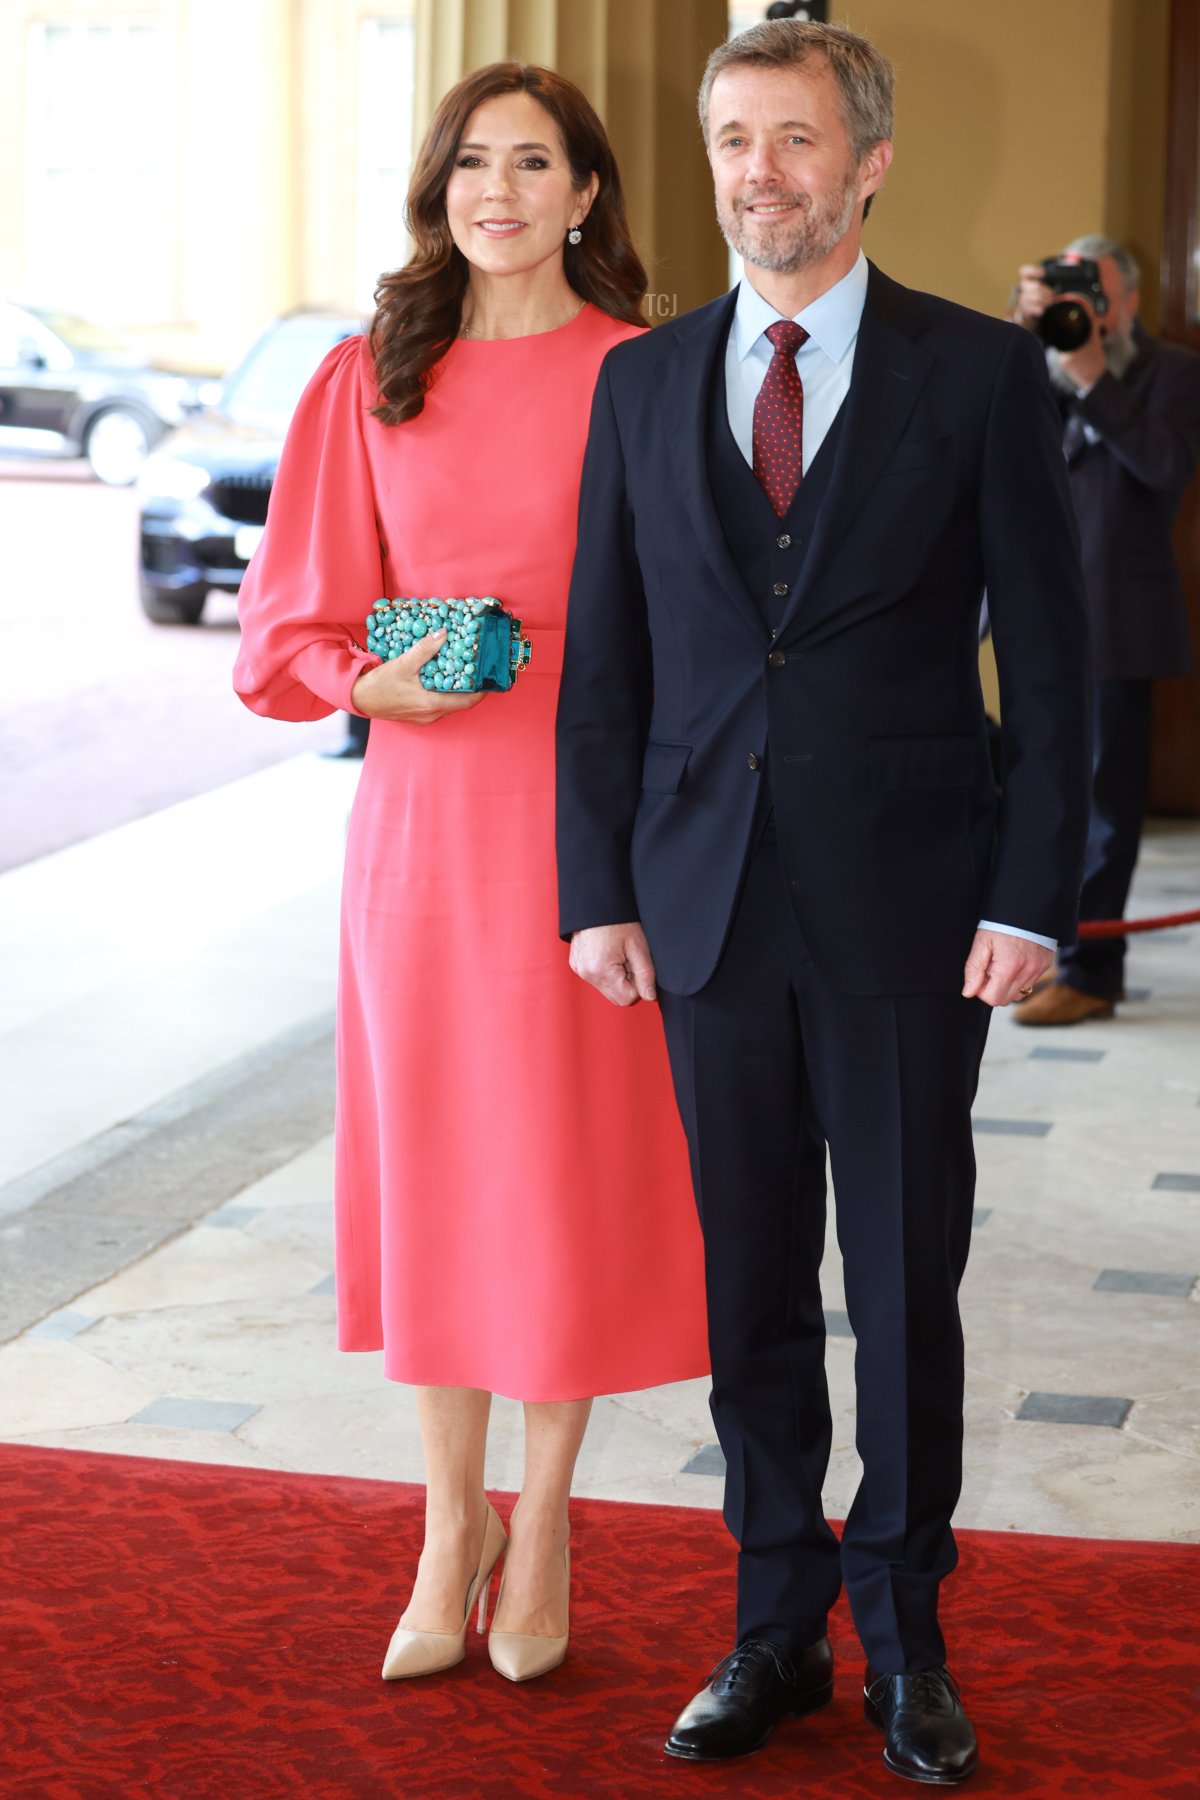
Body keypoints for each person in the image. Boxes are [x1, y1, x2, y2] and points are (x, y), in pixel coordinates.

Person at [556, 19, 1090, 1786]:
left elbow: (1059, 667)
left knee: (908, 1278)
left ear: (865, 164)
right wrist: (597, 891)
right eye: (730, 139)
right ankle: (771, 1622)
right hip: (703, 907)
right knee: (750, 1286)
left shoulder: (977, 374)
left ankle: (905, 1633)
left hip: (914, 907)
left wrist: (1041, 900)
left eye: (791, 140)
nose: (755, 174)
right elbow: (611, 673)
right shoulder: (640, 384)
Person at [233, 62, 707, 1688]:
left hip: (592, 821)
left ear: (588, 195)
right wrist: (373, 687)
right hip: (426, 822)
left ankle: (553, 1509)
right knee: (440, 1168)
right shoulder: (367, 377)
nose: (496, 191)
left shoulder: (651, 375)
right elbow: (291, 620)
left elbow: (708, 627)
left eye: (534, 163)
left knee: (561, 1170)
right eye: (469, 164)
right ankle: (449, 1518)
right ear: (438, 192)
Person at [1007, 236, 1200, 1026]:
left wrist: (1090, 374)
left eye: (1094, 294)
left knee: (1103, 805)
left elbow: (1164, 468)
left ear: (1126, 303)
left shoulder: (1175, 373)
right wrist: (1024, 339)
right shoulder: (1036, 364)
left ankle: (1093, 970)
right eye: (1065, 294)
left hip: (1121, 620)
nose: (1080, 310)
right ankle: (1035, 950)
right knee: (1038, 792)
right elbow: (1002, 450)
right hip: (1035, 614)